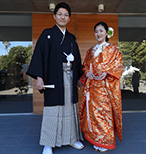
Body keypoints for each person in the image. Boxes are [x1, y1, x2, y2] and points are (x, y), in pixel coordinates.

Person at [26, 2, 84, 154]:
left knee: (70, 109)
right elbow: (40, 56)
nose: (63, 17)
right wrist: (39, 78)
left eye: (66, 15)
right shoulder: (47, 34)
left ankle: (72, 139)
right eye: (60, 14)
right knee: (52, 110)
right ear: (54, 16)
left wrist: (79, 77)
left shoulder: (71, 38)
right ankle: (48, 143)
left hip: (69, 78)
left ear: (69, 18)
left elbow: (77, 59)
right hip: (53, 78)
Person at [79, 21, 123, 153]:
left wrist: (107, 72)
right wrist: (87, 72)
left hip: (105, 87)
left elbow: (118, 65)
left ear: (106, 32)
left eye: (101, 31)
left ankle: (105, 141)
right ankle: (95, 138)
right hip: (92, 87)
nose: (98, 34)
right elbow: (85, 66)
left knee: (105, 114)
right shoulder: (91, 51)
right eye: (96, 31)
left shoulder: (113, 49)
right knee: (93, 114)